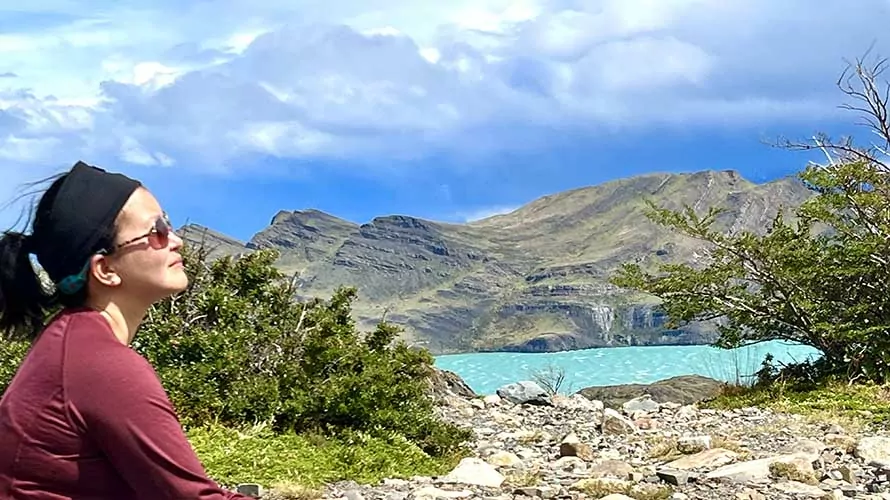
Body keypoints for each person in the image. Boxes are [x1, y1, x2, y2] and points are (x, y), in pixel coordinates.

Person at [0, 161, 254, 499]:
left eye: (169, 222)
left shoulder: (72, 339)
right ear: (105, 270)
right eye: (157, 230)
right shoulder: (99, 364)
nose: (175, 240)